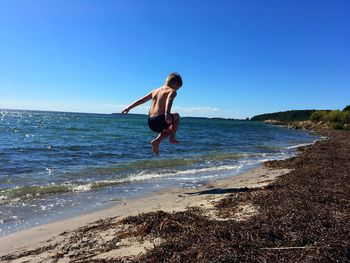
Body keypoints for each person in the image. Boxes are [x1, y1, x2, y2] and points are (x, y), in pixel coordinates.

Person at [121, 72, 182, 156]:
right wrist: (167, 114)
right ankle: (172, 138)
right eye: (178, 88)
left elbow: (142, 100)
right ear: (176, 83)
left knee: (168, 130)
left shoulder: (155, 91)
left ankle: (156, 141)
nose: (177, 90)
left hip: (151, 122)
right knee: (177, 116)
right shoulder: (172, 91)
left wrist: (128, 108)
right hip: (160, 119)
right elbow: (169, 100)